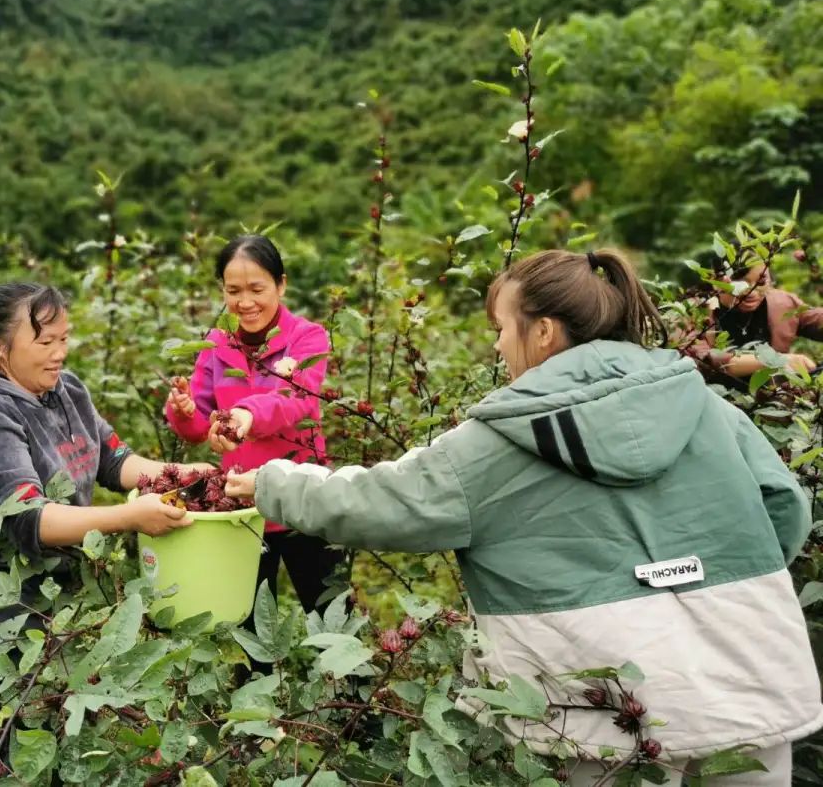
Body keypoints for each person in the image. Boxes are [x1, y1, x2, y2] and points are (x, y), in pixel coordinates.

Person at [226, 249, 822, 785]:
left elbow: (385, 502)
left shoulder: (501, 439)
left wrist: (274, 482)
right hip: (745, 673)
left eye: (499, 329)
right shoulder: (704, 403)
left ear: (541, 331)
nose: (496, 346)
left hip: (606, 701)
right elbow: (784, 512)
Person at [0, 282, 209, 620]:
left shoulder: (68, 390)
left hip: (58, 595)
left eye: (63, 339)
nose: (59, 353)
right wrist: (130, 517)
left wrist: (183, 474)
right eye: (45, 342)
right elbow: (30, 519)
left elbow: (112, 460)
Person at [165, 234, 344, 634]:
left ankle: (352, 692)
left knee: (331, 616)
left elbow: (295, 399)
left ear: (281, 284)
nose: (245, 302)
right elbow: (199, 425)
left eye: (256, 289)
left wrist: (245, 413)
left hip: (304, 500)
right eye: (233, 291)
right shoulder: (217, 343)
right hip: (244, 507)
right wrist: (184, 411)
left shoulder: (307, 337)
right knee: (250, 625)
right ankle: (256, 697)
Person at [686, 249, 823, 385]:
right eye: (741, 283)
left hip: (773, 398)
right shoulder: (694, 312)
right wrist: (777, 361)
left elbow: (816, 320)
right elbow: (703, 359)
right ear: (716, 280)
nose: (752, 291)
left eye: (761, 282)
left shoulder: (782, 303)